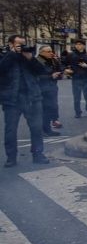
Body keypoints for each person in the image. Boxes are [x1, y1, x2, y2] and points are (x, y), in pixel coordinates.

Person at [0, 35, 50, 166]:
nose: (22, 47)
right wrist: (12, 54)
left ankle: (38, 154)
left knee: (36, 128)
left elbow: (42, 71)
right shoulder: (4, 56)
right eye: (19, 44)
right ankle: (11, 157)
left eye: (23, 44)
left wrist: (31, 59)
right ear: (11, 44)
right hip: (12, 99)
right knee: (10, 130)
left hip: (32, 97)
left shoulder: (28, 57)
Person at [36, 46, 64, 136]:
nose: (51, 53)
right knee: (43, 110)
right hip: (41, 89)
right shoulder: (37, 62)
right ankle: (42, 131)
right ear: (41, 52)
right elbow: (35, 77)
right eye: (48, 51)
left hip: (51, 88)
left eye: (51, 51)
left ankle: (47, 130)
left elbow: (59, 71)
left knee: (50, 109)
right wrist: (51, 76)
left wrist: (59, 73)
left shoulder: (53, 60)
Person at [65, 38, 87, 118]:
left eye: (80, 44)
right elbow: (63, 63)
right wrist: (66, 69)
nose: (78, 46)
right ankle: (78, 112)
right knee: (76, 97)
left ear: (84, 46)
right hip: (76, 78)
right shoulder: (71, 55)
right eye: (77, 44)